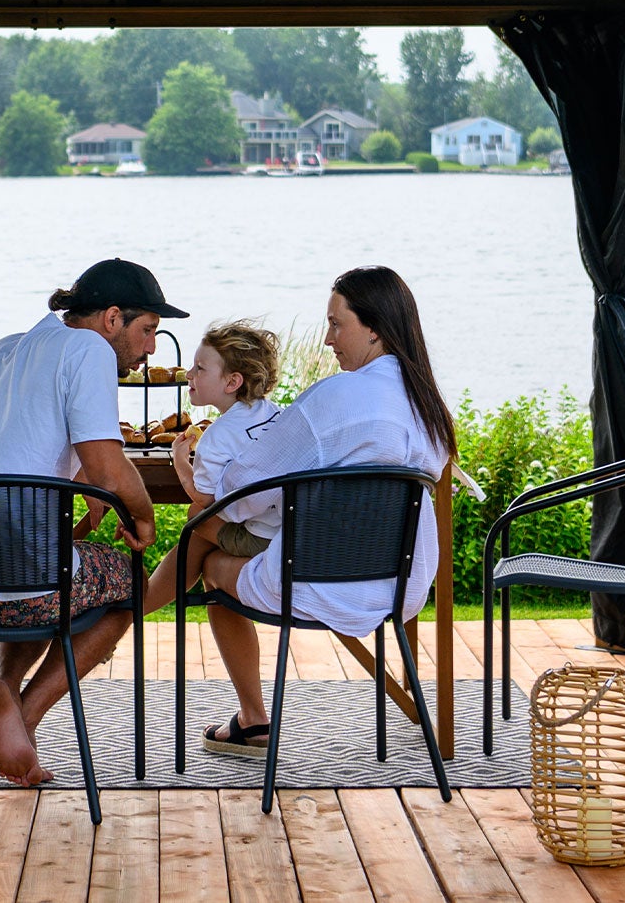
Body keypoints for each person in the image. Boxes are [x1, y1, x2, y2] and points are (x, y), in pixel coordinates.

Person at [0, 258, 183, 787]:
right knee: (128, 580)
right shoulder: (87, 350)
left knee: (45, 564)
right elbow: (112, 466)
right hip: (32, 587)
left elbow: (26, 439)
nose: (151, 348)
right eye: (149, 330)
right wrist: (145, 517)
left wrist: (84, 477)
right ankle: (28, 709)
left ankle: (4, 686)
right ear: (112, 318)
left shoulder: (6, 348)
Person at [188, 266, 455, 759]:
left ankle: (252, 718)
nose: (328, 339)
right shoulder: (429, 406)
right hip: (400, 587)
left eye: (336, 324)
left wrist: (197, 473)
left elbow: (243, 494)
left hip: (307, 583)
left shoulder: (333, 398)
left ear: (373, 328)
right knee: (214, 536)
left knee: (207, 560)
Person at [139, 321, 282, 615]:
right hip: (289, 528)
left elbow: (204, 500)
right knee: (207, 547)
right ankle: (143, 604)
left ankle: (141, 606)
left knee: (196, 517)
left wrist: (179, 461)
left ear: (232, 382)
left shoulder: (217, 437)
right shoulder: (275, 413)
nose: (189, 374)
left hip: (263, 538)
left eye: (200, 368)